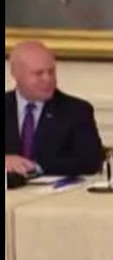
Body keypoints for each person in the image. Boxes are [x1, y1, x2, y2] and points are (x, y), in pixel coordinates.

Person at [5, 40, 103, 176]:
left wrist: (36, 166)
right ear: (16, 74)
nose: (47, 79)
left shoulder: (76, 111)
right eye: (38, 73)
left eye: (51, 72)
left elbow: (90, 162)